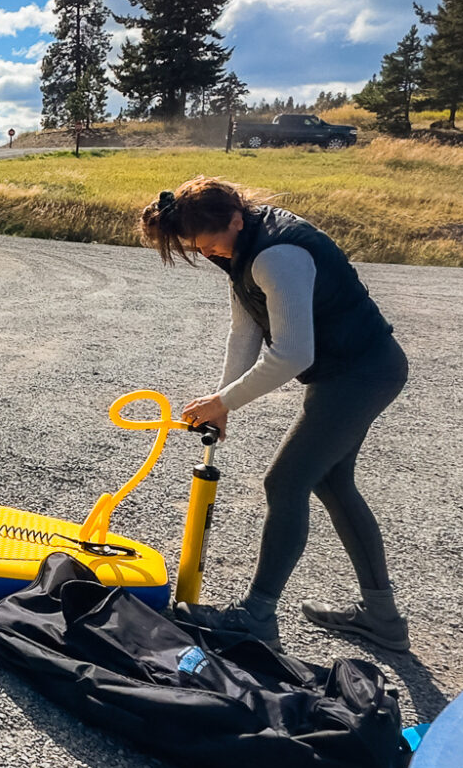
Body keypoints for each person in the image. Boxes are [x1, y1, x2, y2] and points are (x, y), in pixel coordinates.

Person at [136, 177, 410, 652]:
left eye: (210, 245)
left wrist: (223, 403)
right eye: (197, 249)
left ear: (236, 221)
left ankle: (257, 617)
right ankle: (382, 618)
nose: (208, 255)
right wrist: (220, 400)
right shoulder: (242, 248)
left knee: (284, 482)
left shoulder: (276, 255)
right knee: (330, 480)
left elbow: (292, 354)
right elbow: (244, 330)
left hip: (360, 375)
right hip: (349, 373)